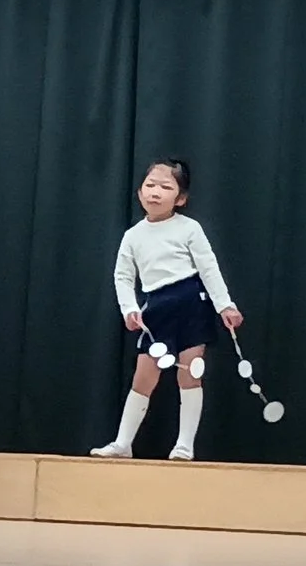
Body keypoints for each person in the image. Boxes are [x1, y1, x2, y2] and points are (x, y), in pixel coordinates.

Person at [92, 159, 243, 462]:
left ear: (181, 198)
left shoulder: (190, 228)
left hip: (191, 303)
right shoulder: (133, 235)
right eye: (150, 185)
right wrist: (129, 309)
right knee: (143, 377)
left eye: (165, 187)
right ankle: (123, 443)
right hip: (156, 307)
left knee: (190, 372)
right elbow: (123, 276)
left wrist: (225, 305)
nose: (155, 192)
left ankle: (184, 445)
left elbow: (208, 267)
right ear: (139, 193)